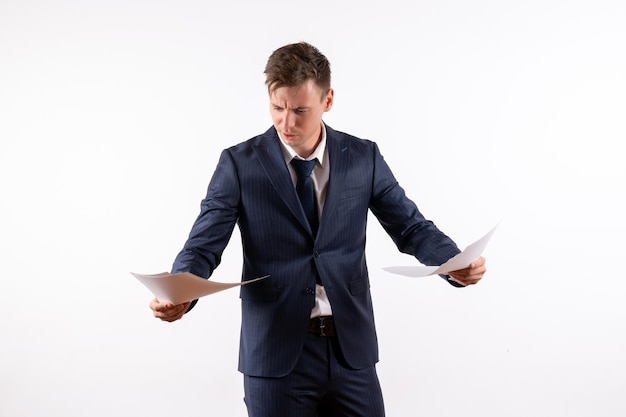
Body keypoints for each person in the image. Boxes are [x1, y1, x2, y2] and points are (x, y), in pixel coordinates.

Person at [149, 41, 486, 417]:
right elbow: (203, 246)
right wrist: (179, 291)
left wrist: (455, 262)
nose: (287, 123)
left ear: (327, 101)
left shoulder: (363, 157)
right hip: (276, 358)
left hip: (350, 354)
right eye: (278, 108)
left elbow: (410, 227)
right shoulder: (239, 164)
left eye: (300, 110)